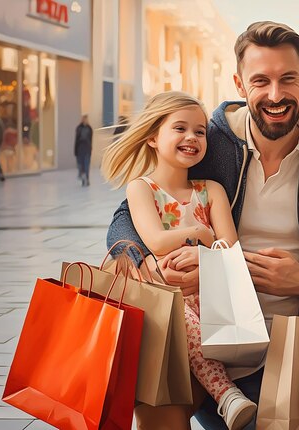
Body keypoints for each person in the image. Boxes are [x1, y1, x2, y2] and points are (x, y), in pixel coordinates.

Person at [106, 21, 299, 430]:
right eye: (260, 81)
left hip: (296, 345)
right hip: (204, 340)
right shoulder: (207, 144)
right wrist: (143, 260)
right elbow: (128, 215)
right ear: (240, 84)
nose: (276, 95)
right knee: (155, 403)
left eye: (288, 80)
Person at [101, 91, 257, 430]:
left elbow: (230, 251)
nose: (192, 137)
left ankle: (223, 393)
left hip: (209, 302)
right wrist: (201, 232)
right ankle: (225, 394)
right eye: (180, 128)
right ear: (153, 137)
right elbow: (156, 242)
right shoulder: (141, 189)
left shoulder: (211, 189)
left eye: (200, 131)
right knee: (174, 309)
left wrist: (204, 245)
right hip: (164, 313)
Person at [74, 114, 93, 186]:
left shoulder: (89, 128)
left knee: (86, 165)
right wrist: (75, 150)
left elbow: (91, 140)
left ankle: (86, 179)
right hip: (80, 149)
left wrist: (91, 149)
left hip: (86, 149)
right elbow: (76, 140)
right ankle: (83, 179)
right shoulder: (79, 128)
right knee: (81, 165)